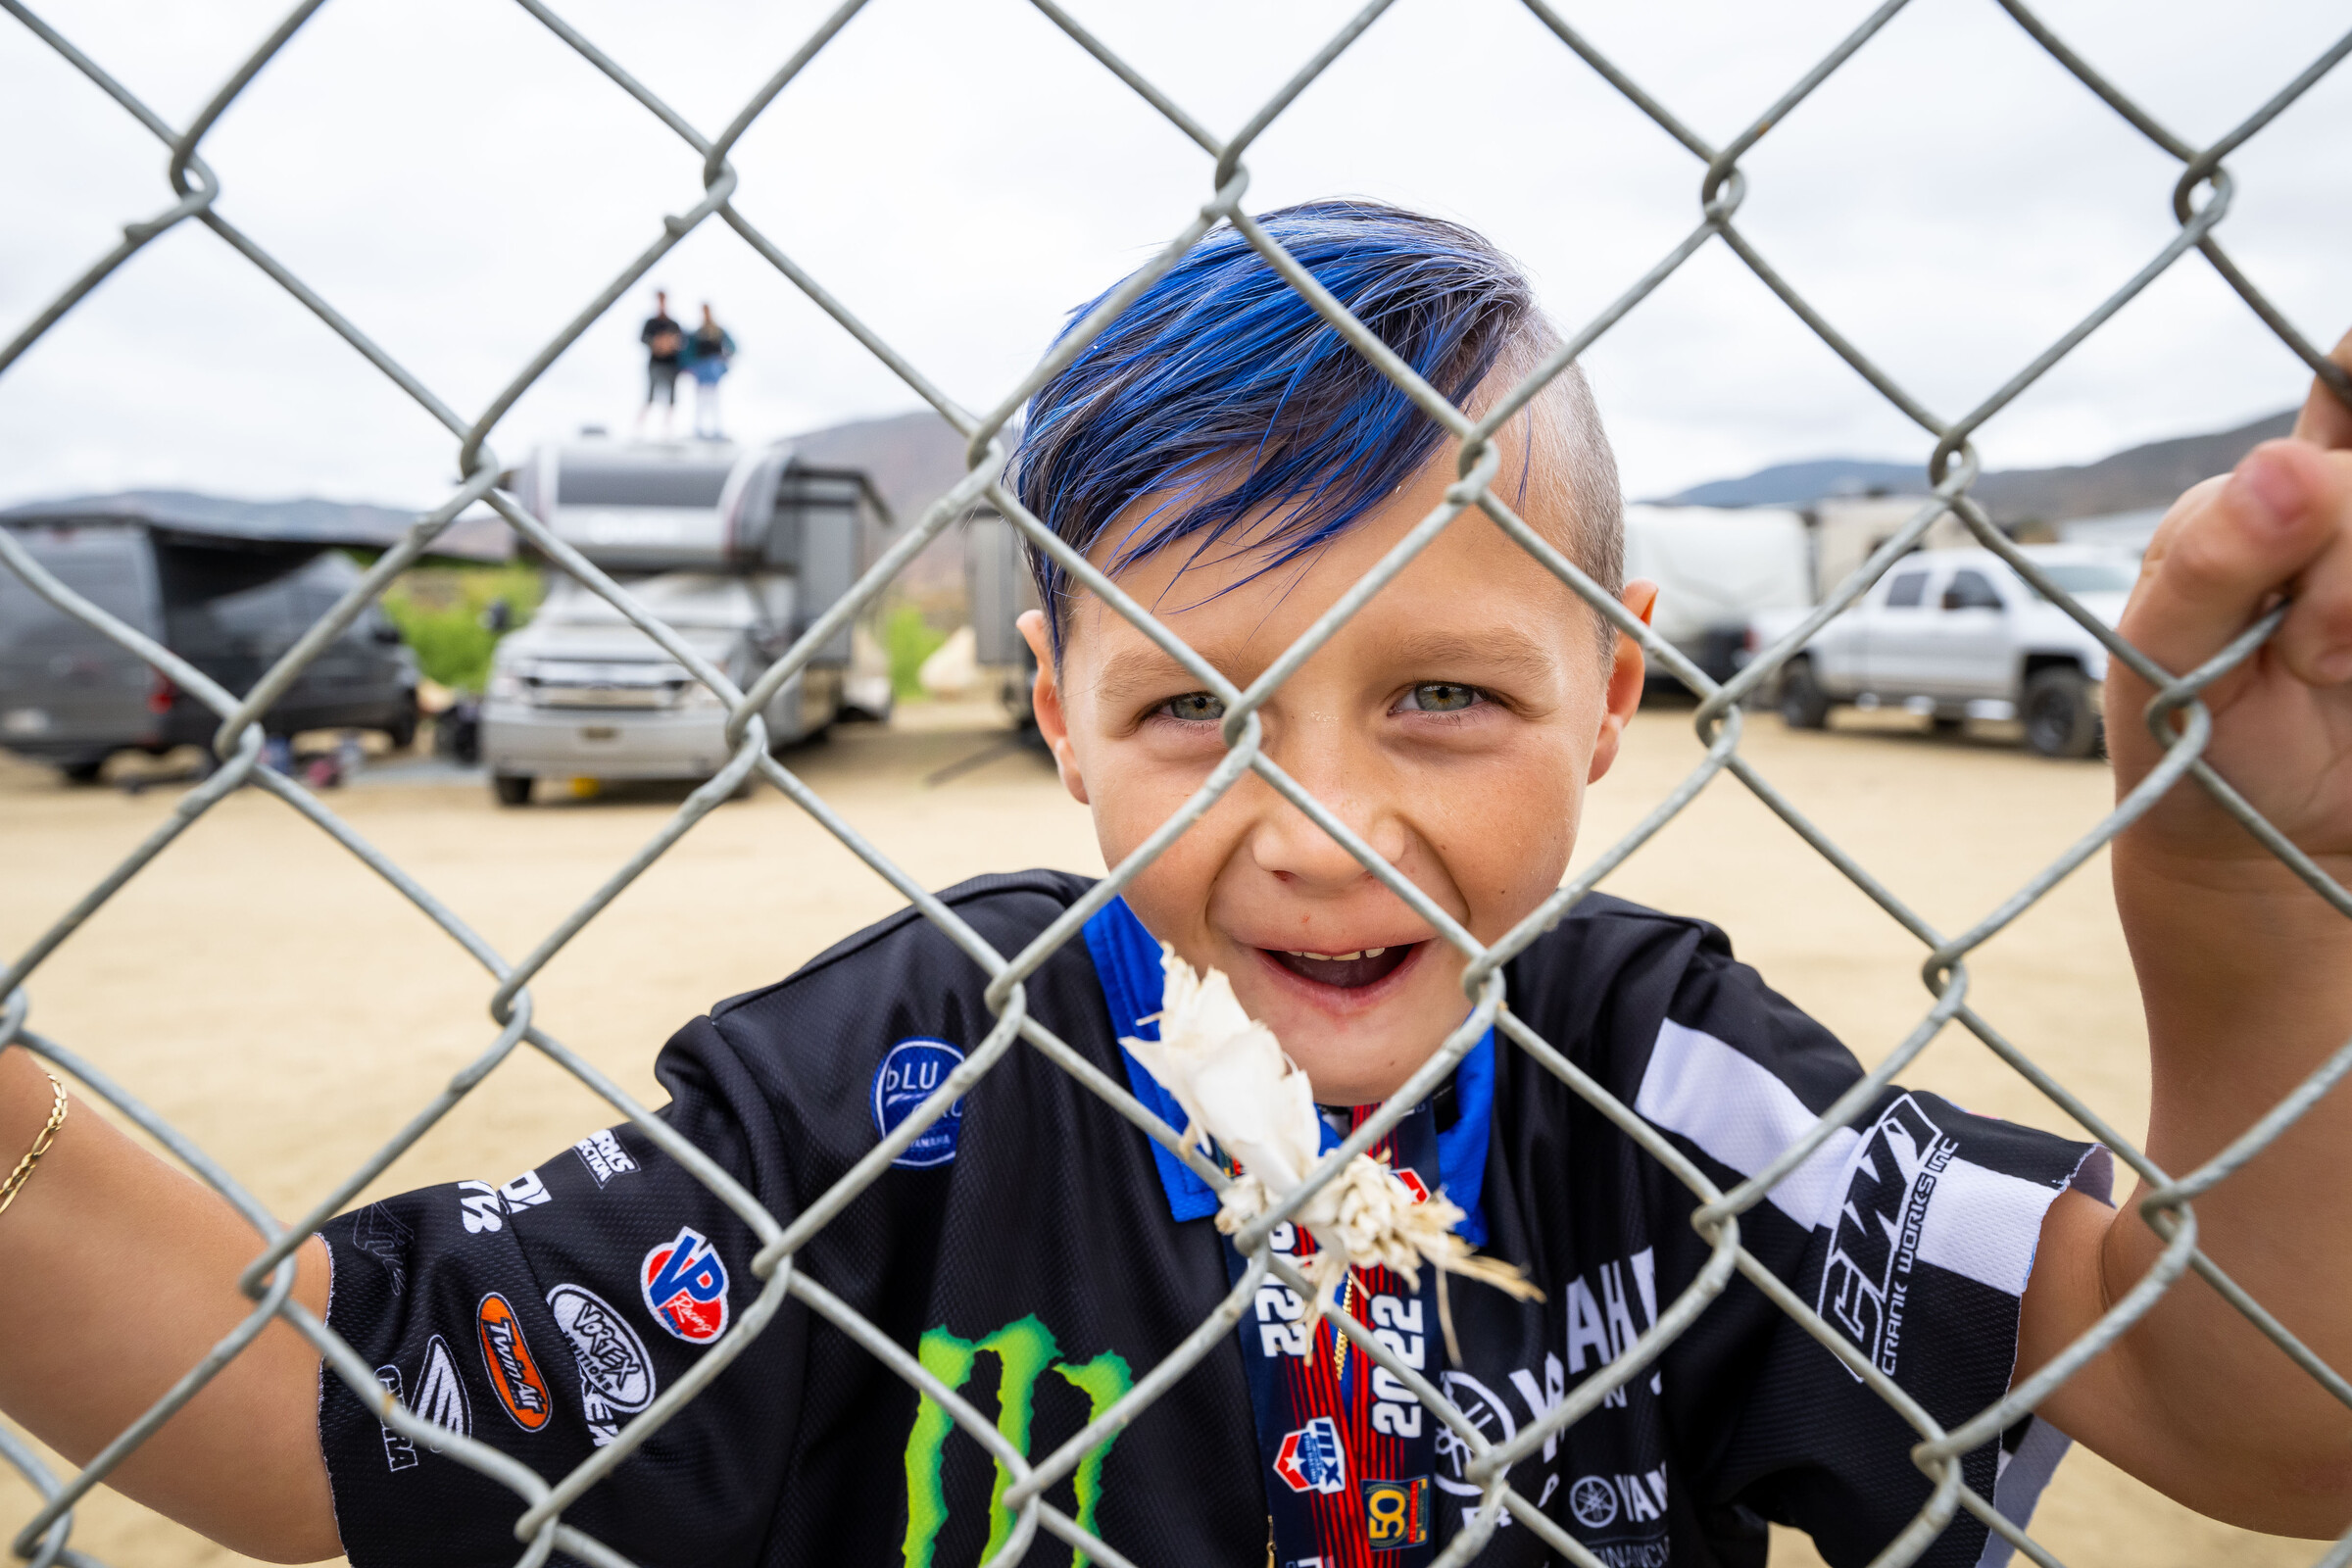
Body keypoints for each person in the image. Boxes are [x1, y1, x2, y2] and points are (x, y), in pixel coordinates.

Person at [5, 201, 2352, 1568]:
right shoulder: (900, 1083)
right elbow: (341, 1396)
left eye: (1439, 695)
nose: (1317, 831)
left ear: (1609, 693)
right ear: (1050, 705)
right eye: (1189, 715)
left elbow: (2255, 1408)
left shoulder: (1670, 1093)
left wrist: (2252, 915)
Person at [634, 289, 683, 437]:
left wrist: (671, 343)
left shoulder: (673, 324)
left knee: (671, 397)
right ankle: (638, 428)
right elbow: (642, 339)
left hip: (671, 364)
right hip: (655, 363)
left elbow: (681, 342)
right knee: (649, 394)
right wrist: (656, 343)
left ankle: (668, 429)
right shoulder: (651, 323)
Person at [684, 303, 736, 441]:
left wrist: (723, 360)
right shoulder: (698, 333)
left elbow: (732, 347)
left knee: (714, 401)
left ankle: (717, 430)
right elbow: (689, 351)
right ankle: (698, 429)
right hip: (701, 371)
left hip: (713, 371)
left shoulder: (718, 331)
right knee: (700, 401)